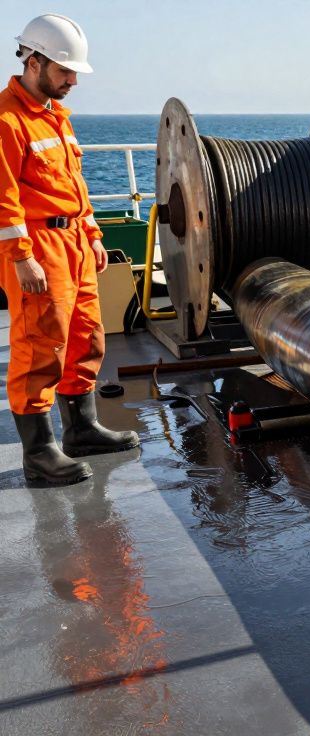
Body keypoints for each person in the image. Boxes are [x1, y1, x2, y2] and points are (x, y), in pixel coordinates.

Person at [1, 14, 138, 486]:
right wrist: (22, 258)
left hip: (75, 241)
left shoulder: (58, 118)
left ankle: (82, 430)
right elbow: (4, 199)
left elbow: (74, 185)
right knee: (41, 343)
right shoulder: (7, 120)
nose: (73, 80)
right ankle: (39, 453)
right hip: (38, 246)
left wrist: (94, 234)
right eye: (65, 71)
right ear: (34, 62)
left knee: (87, 336)